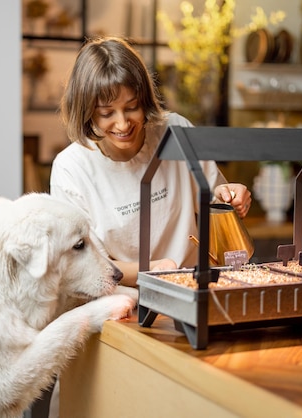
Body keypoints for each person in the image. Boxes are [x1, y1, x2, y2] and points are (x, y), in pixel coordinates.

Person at [50, 36, 252, 287]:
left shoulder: (175, 131)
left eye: (132, 107)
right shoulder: (71, 168)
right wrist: (154, 270)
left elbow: (215, 201)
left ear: (144, 99)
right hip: (124, 296)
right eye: (106, 113)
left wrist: (230, 195)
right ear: (86, 111)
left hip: (194, 286)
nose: (123, 124)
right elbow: (83, 265)